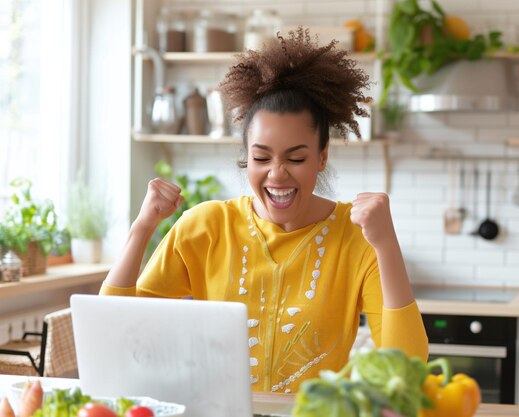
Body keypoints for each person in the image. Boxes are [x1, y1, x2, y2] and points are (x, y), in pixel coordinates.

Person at [100, 28, 428, 393]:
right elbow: (118, 334)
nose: (277, 174)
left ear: (322, 157)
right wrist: (141, 228)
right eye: (261, 157)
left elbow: (408, 366)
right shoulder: (207, 226)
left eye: (296, 157)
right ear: (246, 158)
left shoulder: (356, 237)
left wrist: (386, 244)